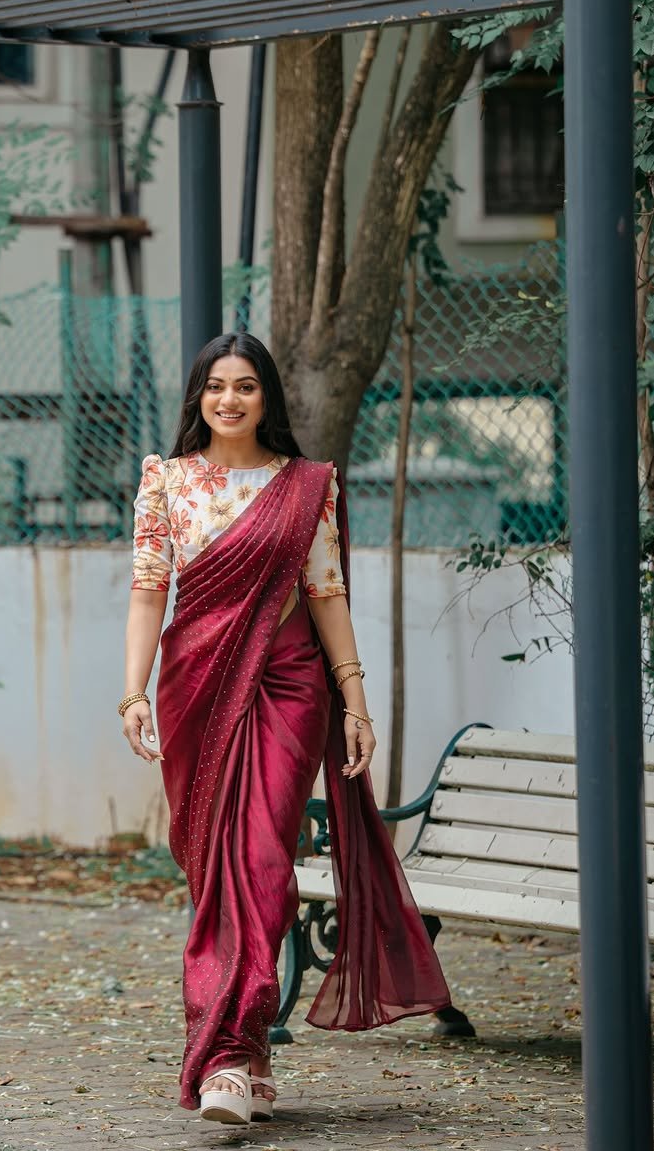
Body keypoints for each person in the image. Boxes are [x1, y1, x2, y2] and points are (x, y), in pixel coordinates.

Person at [120, 332, 449, 1125]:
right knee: (215, 870)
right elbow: (147, 591)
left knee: (263, 858)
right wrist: (132, 692)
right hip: (197, 686)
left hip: (290, 684)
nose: (228, 399)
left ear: (268, 397)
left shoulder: (306, 485)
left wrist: (354, 698)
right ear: (197, 396)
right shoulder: (166, 481)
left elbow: (326, 591)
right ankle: (245, 1053)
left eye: (245, 386)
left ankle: (227, 1055)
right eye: (215, 386)